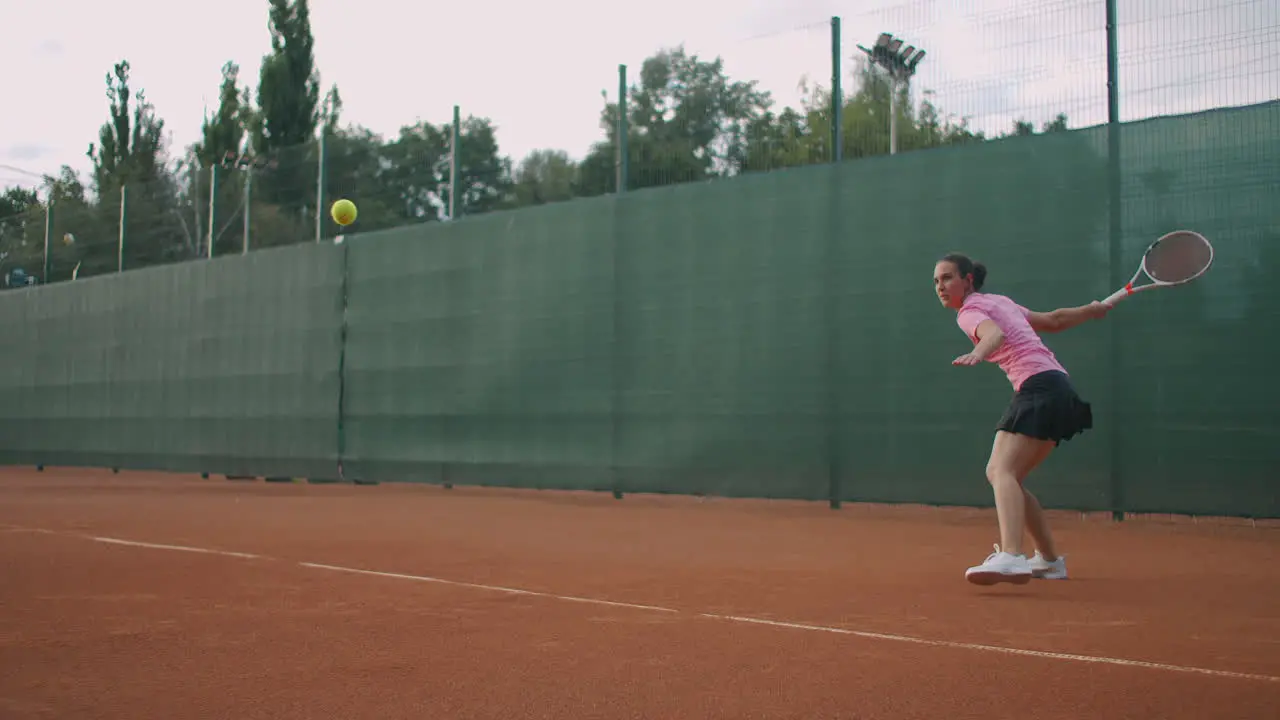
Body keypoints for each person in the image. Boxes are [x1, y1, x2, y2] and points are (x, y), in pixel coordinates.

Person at [933, 253, 1111, 586]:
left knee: (999, 471)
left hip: (1039, 387)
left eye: (947, 278)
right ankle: (1048, 560)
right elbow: (1054, 321)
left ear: (968, 280)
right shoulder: (1000, 302)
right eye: (936, 281)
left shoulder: (969, 312)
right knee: (1011, 476)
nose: (940, 286)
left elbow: (994, 335)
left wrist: (978, 352)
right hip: (1059, 388)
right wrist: (1091, 310)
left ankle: (1012, 556)